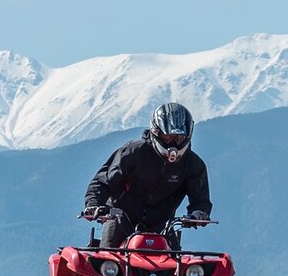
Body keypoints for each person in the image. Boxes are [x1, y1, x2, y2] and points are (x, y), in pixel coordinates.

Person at [84, 102, 212, 248]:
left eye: (179, 138)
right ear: (156, 132)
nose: (173, 143)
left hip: (163, 225)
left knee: (180, 267)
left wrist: (199, 213)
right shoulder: (133, 152)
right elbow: (102, 182)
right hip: (120, 220)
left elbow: (201, 199)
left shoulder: (193, 164)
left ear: (188, 135)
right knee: (106, 263)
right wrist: (94, 205)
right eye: (167, 137)